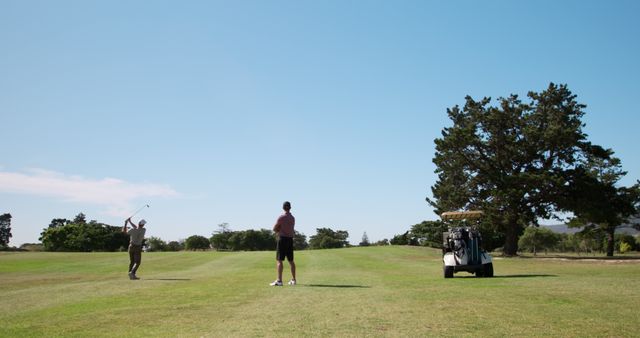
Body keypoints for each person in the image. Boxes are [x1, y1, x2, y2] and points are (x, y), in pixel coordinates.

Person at [270, 201, 296, 286]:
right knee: (291, 261)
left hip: (282, 239)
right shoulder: (292, 218)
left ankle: (279, 280)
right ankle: (293, 280)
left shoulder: (281, 217)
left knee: (279, 260)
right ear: (290, 207)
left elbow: (274, 228)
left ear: (283, 207)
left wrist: (278, 229)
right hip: (290, 240)